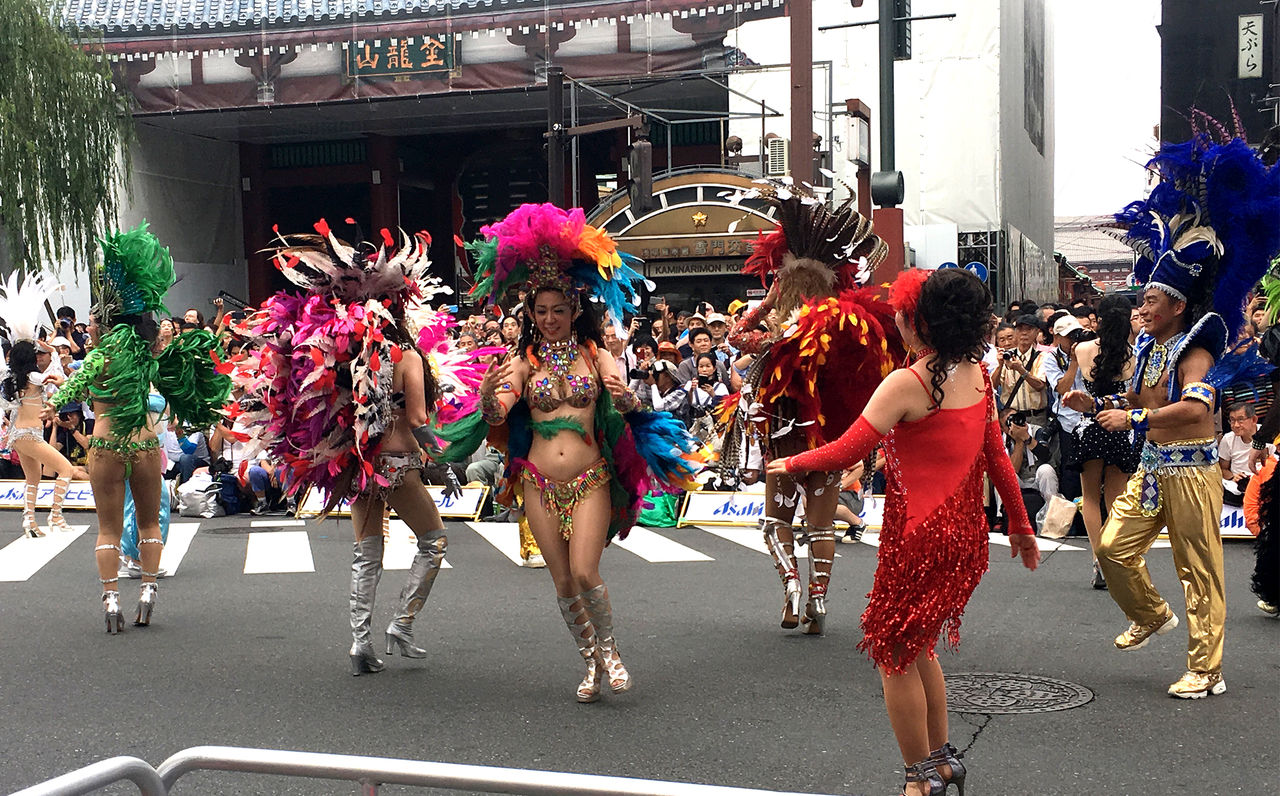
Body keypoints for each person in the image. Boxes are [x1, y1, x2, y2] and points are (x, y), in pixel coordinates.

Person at [768, 268, 1039, 796]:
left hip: (919, 537)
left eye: (900, 311)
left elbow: (845, 450)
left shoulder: (908, 383)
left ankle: (919, 780)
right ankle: (940, 763)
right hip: (964, 537)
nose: (892, 316)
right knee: (919, 648)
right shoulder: (978, 375)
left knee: (892, 652)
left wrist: (789, 462)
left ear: (918, 322)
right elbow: (999, 460)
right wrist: (1022, 529)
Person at [439, 203, 703, 702]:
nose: (550, 318)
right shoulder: (523, 362)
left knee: (586, 572)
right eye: (541, 311)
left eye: (559, 309)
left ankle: (610, 650)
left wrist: (625, 399)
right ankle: (588, 663)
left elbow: (619, 394)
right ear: (530, 315)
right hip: (539, 483)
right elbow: (499, 412)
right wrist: (487, 401)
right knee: (562, 582)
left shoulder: (593, 354)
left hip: (590, 480)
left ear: (574, 310)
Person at [1070, 121, 1280, 698]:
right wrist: (1101, 402)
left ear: (1177, 305)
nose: (1141, 305)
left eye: (1151, 298)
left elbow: (1192, 411)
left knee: (1200, 570)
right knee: (1112, 547)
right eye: (1142, 298)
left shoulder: (1198, 345)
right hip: (1153, 469)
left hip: (1191, 470)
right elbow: (1141, 401)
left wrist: (1133, 420)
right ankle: (1151, 613)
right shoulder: (1147, 346)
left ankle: (1206, 668)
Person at [233, 221, 453, 674]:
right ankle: (403, 625)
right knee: (434, 541)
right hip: (395, 462)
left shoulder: (345, 355)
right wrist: (444, 463)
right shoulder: (407, 357)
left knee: (366, 551)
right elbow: (416, 420)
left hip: (355, 464)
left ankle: (359, 643)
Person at [727, 182, 905, 635]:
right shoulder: (842, 330)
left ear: (785, 285)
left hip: (785, 439)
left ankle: (790, 583)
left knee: (776, 522)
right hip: (827, 439)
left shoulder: (783, 336)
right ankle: (819, 597)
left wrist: (764, 305)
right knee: (821, 524)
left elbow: (736, 338)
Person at [46, 223, 231, 633]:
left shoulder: (100, 353)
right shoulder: (148, 354)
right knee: (150, 522)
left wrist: (59, 396)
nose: (89, 326)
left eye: (93, 321)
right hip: (146, 444)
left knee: (109, 527)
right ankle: (148, 592)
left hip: (108, 444)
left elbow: (77, 383)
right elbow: (176, 379)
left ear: (105, 321)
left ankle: (111, 599)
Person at [1061, 294, 1140, 590]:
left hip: (1090, 426)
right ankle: (1113, 558)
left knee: (1090, 498)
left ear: (1100, 318)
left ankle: (1098, 559)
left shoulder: (1081, 349)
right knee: (1116, 501)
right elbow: (1134, 397)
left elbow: (1068, 382)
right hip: (1120, 426)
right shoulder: (1135, 354)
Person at [0, 272, 76, 536]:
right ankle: (56, 517)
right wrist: (54, 352)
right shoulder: (33, 376)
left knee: (32, 479)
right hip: (31, 435)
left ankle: (29, 521)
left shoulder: (11, 378)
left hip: (17, 436)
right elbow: (58, 379)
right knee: (65, 468)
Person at [1218, 402, 1271, 507]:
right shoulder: (1228, 439)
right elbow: (1222, 469)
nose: (1236, 425)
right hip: (1237, 489)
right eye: (1232, 420)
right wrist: (1233, 477)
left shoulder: (1268, 435)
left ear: (1254, 420)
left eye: (1240, 420)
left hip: (1264, 485)